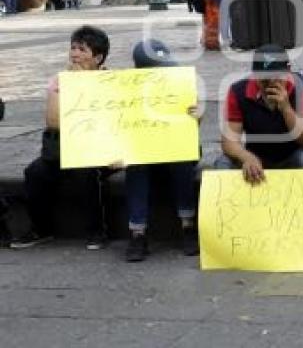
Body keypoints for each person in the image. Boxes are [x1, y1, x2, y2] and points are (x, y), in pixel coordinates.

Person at [11, 26, 114, 250]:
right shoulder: (59, 80)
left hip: (98, 149)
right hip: (63, 148)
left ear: (98, 57)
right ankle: (41, 229)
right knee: (35, 172)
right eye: (73, 48)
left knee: (86, 171)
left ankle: (97, 231)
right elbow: (54, 121)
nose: (74, 53)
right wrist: (71, 86)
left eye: (82, 49)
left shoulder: (111, 80)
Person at [124, 40, 200, 262]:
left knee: (182, 160)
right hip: (143, 151)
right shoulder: (126, 93)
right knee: (135, 166)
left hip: (174, 149)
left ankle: (188, 225)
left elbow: (190, 130)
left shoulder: (179, 86)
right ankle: (137, 233)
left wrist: (197, 116)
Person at [214, 44, 303, 183]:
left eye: (277, 77)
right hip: (258, 155)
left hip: (295, 153)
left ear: (288, 71)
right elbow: (229, 141)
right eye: (264, 79)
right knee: (223, 162)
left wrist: (286, 108)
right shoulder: (238, 91)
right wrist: (247, 157)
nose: (272, 83)